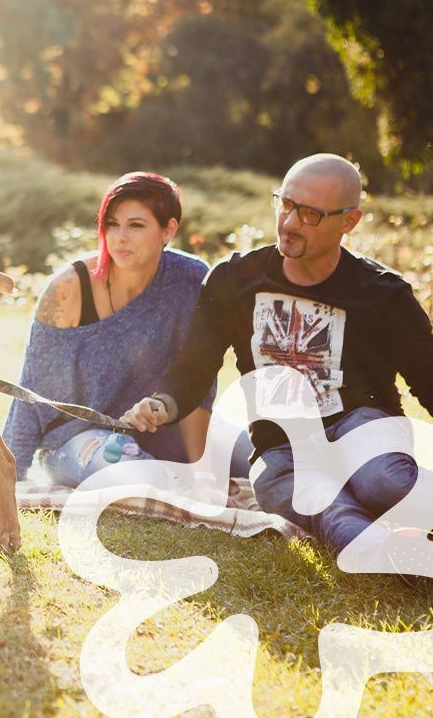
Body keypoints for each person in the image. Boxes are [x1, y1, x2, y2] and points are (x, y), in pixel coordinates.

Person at [121, 154, 433, 574]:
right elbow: (194, 368)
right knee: (324, 508)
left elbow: (428, 379)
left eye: (309, 214)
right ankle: (397, 556)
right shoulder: (234, 279)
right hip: (282, 445)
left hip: (361, 424)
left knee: (383, 481)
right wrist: (163, 404)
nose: (289, 221)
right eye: (285, 204)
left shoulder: (383, 293)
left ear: (349, 221)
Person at [3, 172, 247, 487]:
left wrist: (201, 467)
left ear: (168, 230)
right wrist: (9, 474)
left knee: (267, 459)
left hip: (162, 429)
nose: (119, 237)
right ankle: (166, 477)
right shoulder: (68, 289)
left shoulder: (191, 279)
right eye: (111, 224)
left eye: (136, 225)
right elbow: (31, 390)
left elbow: (199, 383)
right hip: (78, 440)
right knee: (144, 477)